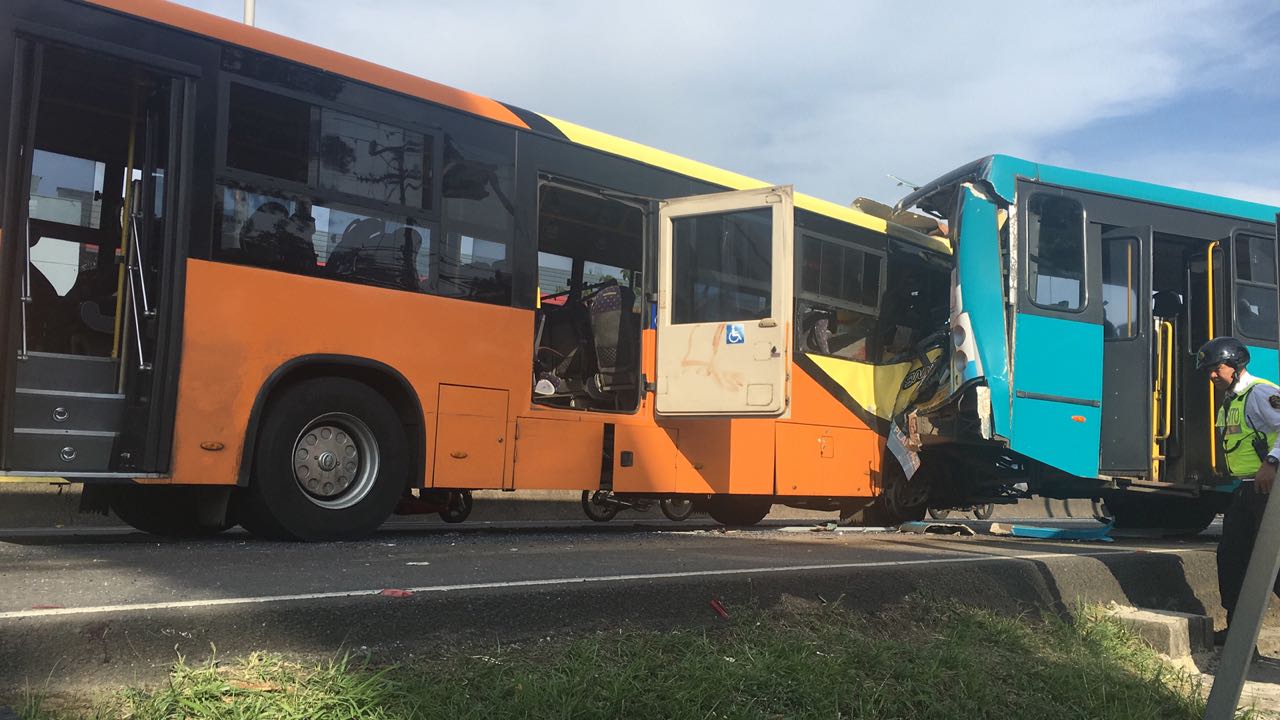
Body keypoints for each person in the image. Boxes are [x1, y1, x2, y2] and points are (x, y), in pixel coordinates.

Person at [1197, 336, 1280, 644]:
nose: (1211, 376)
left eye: (1215, 369)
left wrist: (1272, 461)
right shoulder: (1232, 398)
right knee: (1232, 559)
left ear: (1233, 365)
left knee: (1272, 565)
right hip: (1246, 491)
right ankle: (1238, 638)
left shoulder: (1260, 392)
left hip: (1269, 491)